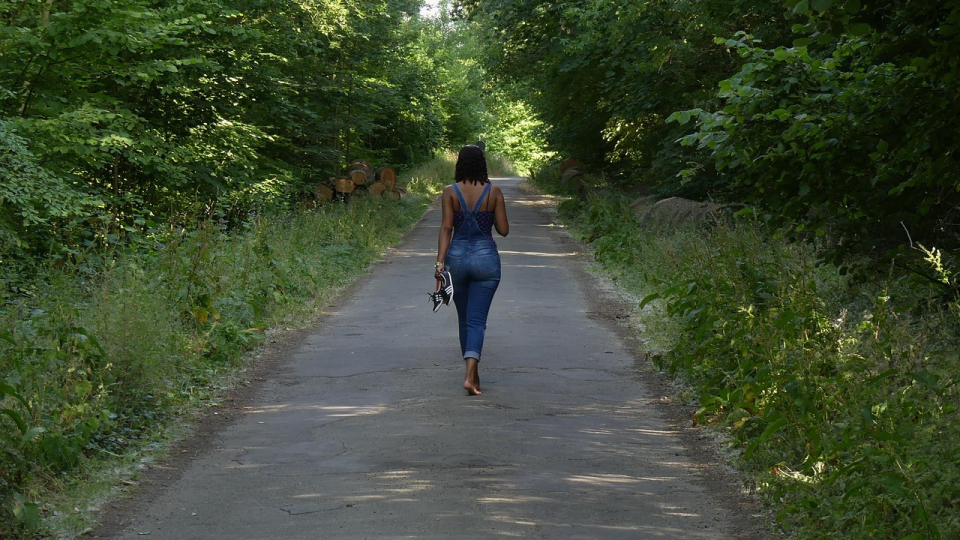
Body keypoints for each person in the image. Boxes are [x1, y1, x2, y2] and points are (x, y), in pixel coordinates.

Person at [435, 145, 509, 396]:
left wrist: (439, 263)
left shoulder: (450, 192)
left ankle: (472, 375)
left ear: (460, 164)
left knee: (464, 320)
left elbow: (446, 228)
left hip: (456, 259)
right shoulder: (493, 192)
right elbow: (503, 230)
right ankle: (470, 376)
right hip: (486, 259)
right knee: (477, 321)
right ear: (482, 164)